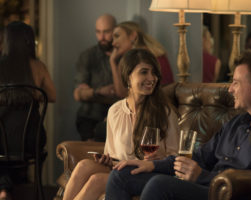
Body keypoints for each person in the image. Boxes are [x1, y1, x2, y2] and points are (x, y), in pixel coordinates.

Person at [105, 50, 251, 200]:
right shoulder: (236, 123)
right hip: (207, 185)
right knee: (121, 176)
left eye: (236, 83)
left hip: (228, 195)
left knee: (159, 185)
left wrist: (202, 176)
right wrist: (152, 165)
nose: (230, 89)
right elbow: (198, 157)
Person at [63, 49, 179, 200]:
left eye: (154, 73)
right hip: (120, 169)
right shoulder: (115, 111)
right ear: (128, 77)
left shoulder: (164, 112)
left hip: (151, 173)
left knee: (96, 181)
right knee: (83, 166)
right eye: (144, 72)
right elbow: (111, 154)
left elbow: (176, 158)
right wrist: (106, 159)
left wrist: (161, 157)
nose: (151, 78)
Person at [0, 21, 56, 200]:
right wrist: (32, 94)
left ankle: (3, 188)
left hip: (2, 140)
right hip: (31, 138)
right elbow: (52, 96)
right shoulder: (38, 66)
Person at [74, 14, 119, 142]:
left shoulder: (124, 55)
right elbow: (78, 94)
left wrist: (91, 92)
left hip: (117, 116)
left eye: (106, 32)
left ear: (115, 30)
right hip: (91, 117)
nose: (102, 37)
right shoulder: (88, 56)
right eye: (98, 32)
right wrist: (99, 91)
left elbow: (123, 93)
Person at [110, 21, 174, 97]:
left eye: (117, 36)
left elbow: (122, 94)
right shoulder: (153, 52)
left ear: (133, 36)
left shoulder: (140, 58)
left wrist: (112, 62)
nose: (113, 43)